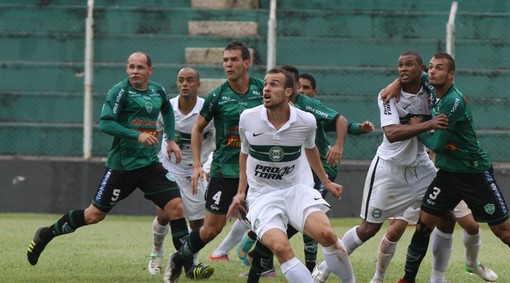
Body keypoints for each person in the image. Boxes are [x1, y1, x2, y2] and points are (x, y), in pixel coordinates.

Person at [26, 52, 213, 279]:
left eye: (140, 67)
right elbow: (105, 123)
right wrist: (137, 135)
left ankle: (187, 265)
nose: (135, 71)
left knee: (176, 208)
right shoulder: (120, 91)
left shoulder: (157, 90)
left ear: (150, 70)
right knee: (94, 215)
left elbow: (166, 110)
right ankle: (45, 234)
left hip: (149, 165)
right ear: (127, 69)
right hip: (122, 167)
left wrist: (171, 139)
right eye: (131, 67)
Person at [394, 52, 510, 283]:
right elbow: (412, 71)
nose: (431, 71)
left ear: (451, 75)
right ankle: (407, 279)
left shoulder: (453, 101)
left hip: (474, 173)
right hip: (448, 175)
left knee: (504, 232)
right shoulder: (431, 85)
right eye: (430, 67)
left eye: (439, 68)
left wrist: (419, 128)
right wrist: (395, 83)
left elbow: (438, 144)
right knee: (423, 225)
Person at [311, 50, 470, 283]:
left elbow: (457, 98)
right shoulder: (388, 95)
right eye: (399, 66)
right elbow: (392, 133)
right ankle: (325, 266)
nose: (403, 69)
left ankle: (437, 277)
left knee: (446, 215)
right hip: (389, 168)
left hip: (421, 167)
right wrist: (429, 124)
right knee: (368, 229)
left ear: (422, 69)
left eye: (408, 65)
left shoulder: (431, 89)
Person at [228, 67, 355, 283]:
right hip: (262, 196)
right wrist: (241, 192)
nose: (266, 88)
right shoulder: (248, 118)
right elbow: (244, 154)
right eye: (266, 84)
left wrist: (326, 182)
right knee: (280, 246)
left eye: (274, 84)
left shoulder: (306, 121)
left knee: (327, 236)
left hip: (297, 190)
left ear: (289, 91)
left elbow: (311, 149)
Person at [162, 40, 264, 283]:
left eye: (234, 60)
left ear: (246, 63)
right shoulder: (218, 96)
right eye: (225, 60)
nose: (228, 64)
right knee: (210, 230)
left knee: (266, 224)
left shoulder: (263, 90)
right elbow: (197, 129)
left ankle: (255, 276)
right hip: (224, 170)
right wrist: (197, 165)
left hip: (256, 171)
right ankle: (179, 258)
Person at [147, 67, 216, 276]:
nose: (185, 84)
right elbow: (153, 130)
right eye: (181, 80)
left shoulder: (207, 111)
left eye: (189, 80)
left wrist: (206, 167)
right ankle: (156, 253)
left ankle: (190, 260)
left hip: (194, 172)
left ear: (198, 84)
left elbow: (216, 142)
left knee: (198, 224)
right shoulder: (167, 108)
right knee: (165, 213)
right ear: (177, 84)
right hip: (168, 169)